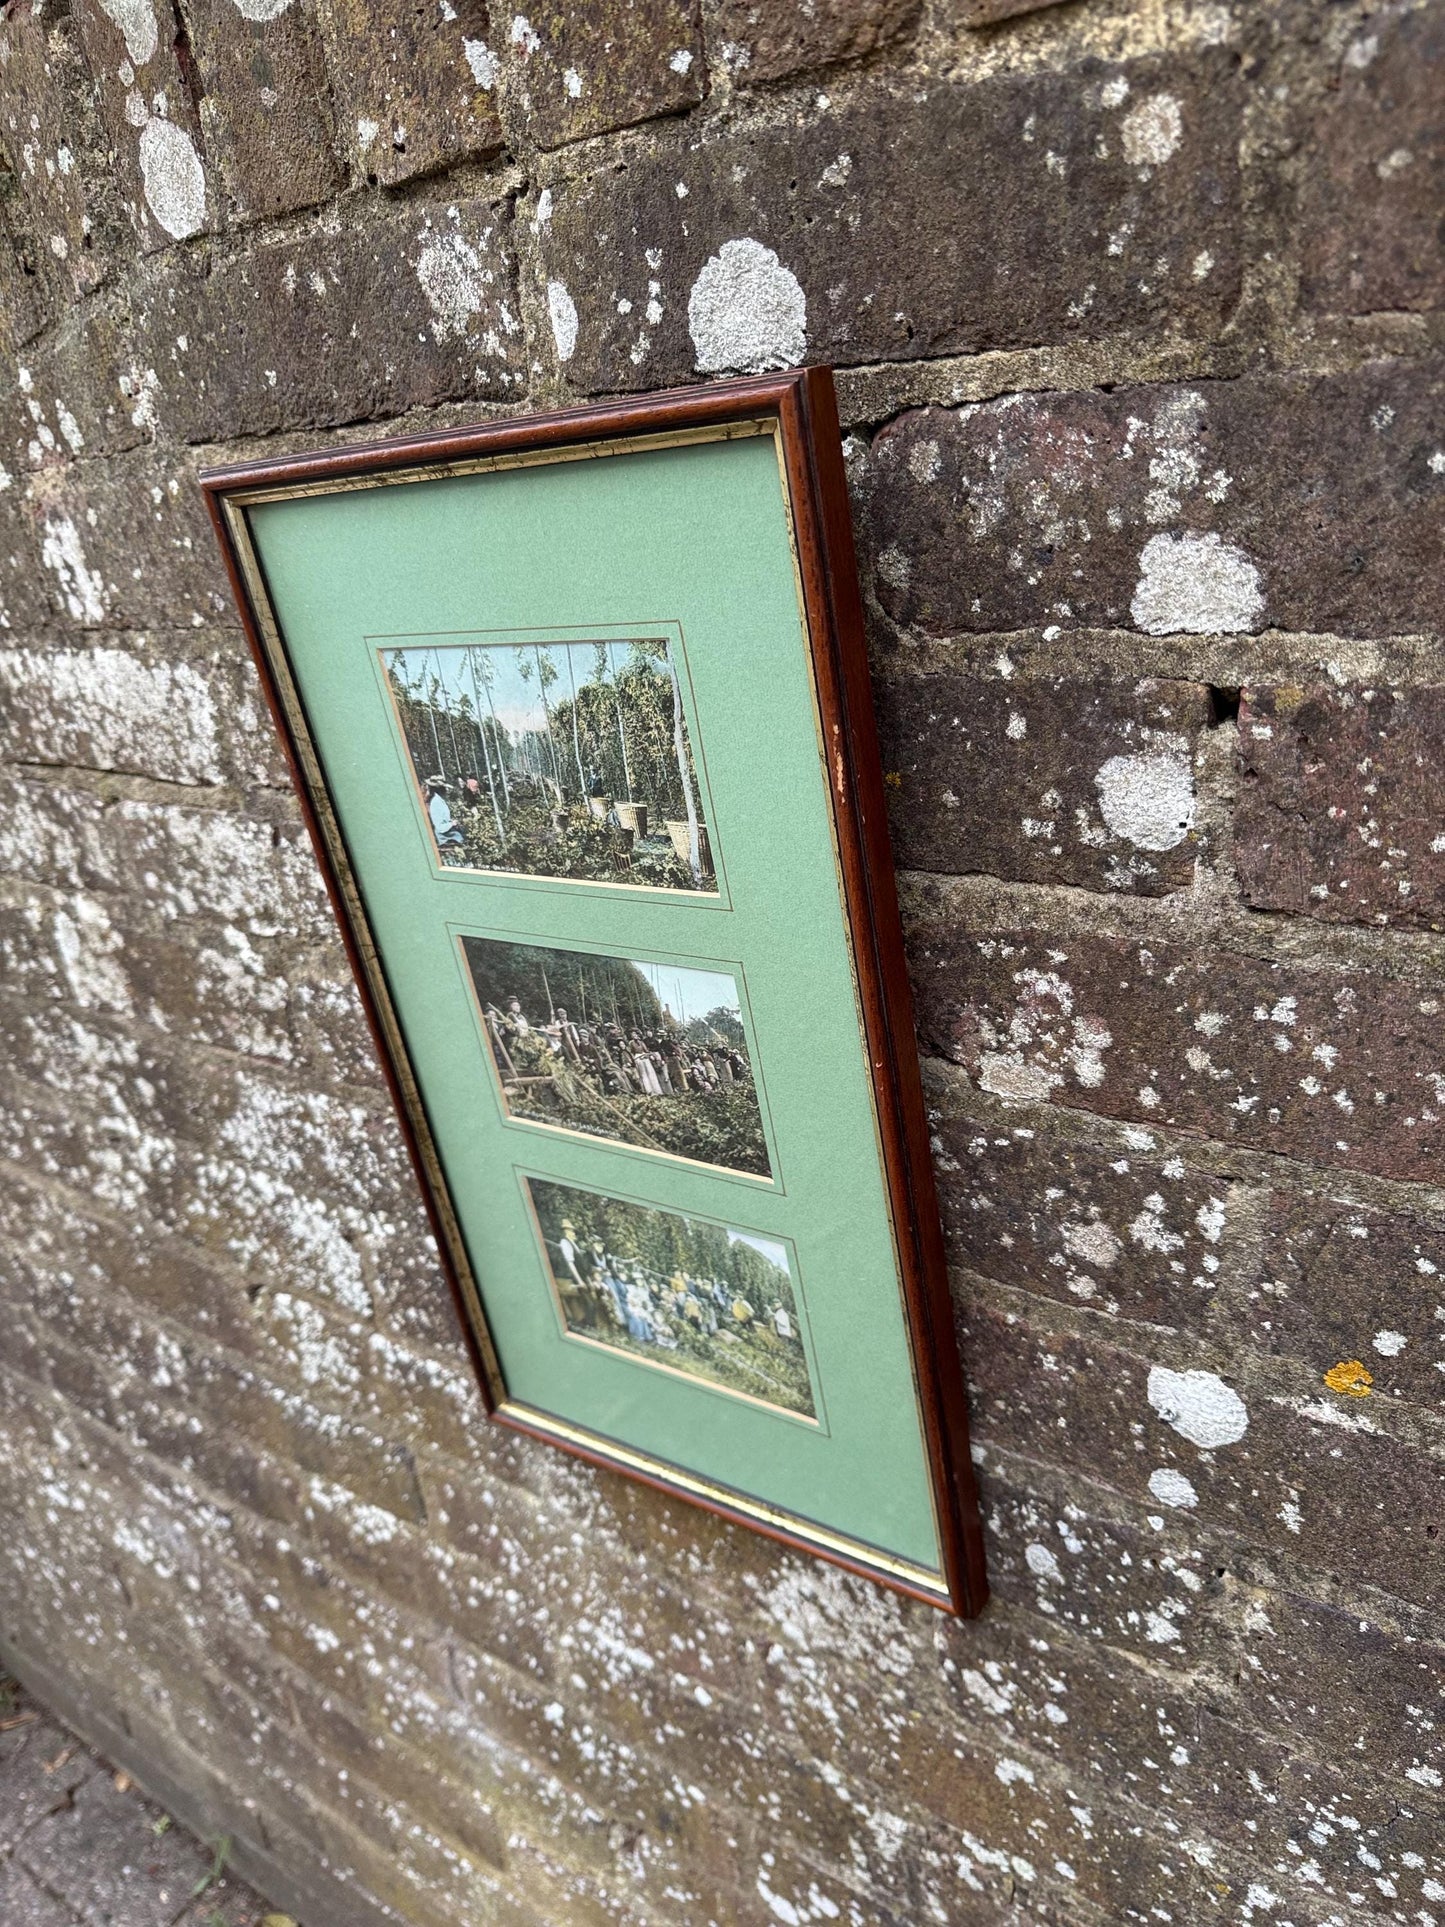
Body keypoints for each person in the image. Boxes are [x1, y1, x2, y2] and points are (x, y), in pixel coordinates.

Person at [425, 776, 465, 854]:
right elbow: (439, 826)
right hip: (446, 838)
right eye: (444, 788)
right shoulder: (436, 803)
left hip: (450, 834)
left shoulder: (441, 800)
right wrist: (451, 824)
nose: (447, 790)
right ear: (439, 789)